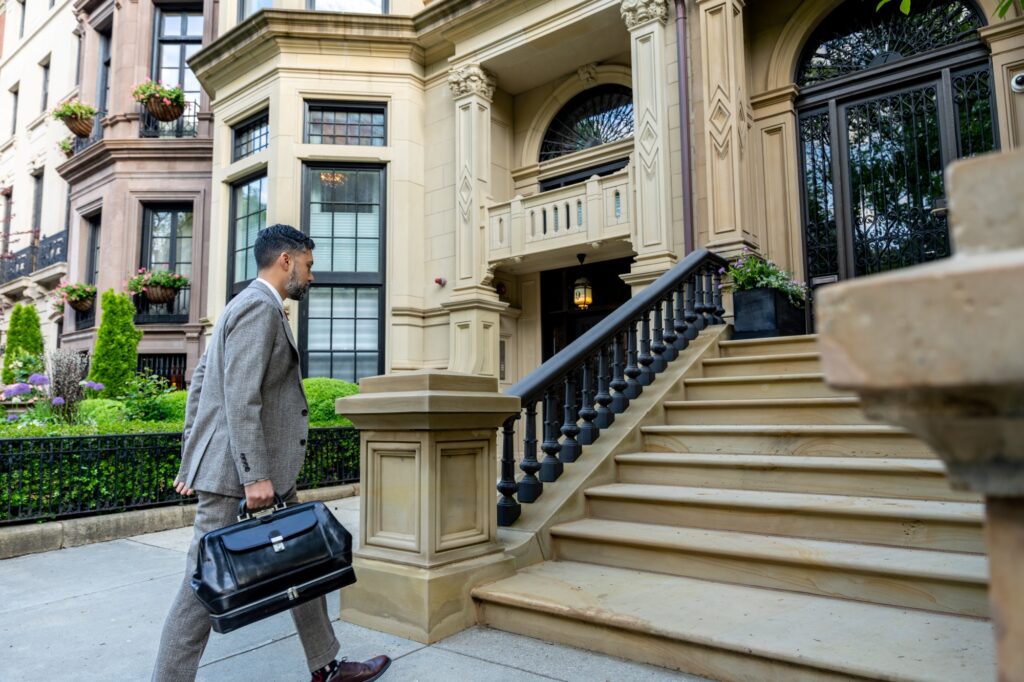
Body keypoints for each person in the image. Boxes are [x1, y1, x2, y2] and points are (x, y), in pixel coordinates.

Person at [152, 225, 391, 682]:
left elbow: (201, 385)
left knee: (305, 560)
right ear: (286, 260)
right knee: (200, 585)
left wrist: (193, 457)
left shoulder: (241, 306)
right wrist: (252, 474)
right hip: (241, 474)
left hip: (256, 469)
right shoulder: (258, 308)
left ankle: (327, 666)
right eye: (309, 265)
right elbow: (240, 397)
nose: (311, 276)